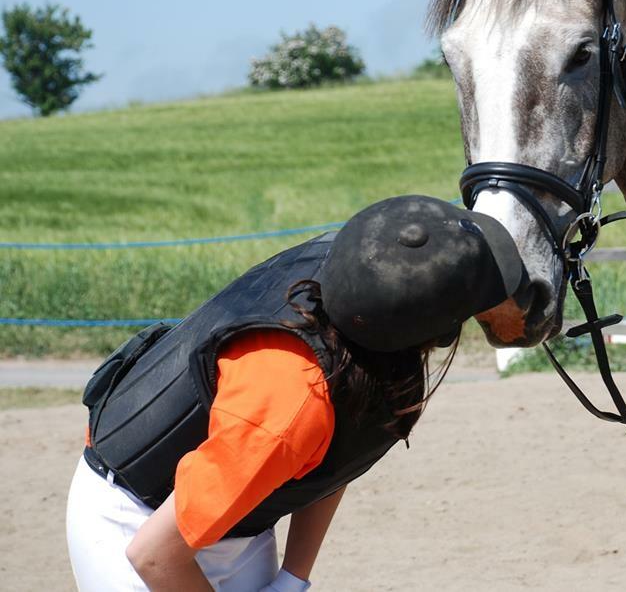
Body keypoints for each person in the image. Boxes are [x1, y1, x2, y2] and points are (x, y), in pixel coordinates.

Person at [65, 195, 523, 592]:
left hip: (236, 514)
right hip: (137, 523)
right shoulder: (289, 406)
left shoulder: (364, 293)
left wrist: (292, 579)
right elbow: (154, 557)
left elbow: (341, 454)